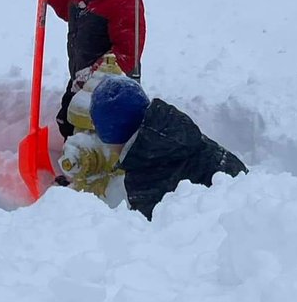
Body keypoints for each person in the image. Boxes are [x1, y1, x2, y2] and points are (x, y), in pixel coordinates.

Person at [89, 75, 248, 220]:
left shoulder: (146, 177)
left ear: (112, 135)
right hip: (251, 200)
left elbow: (151, 237)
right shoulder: (171, 129)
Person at [46, 0, 147, 138]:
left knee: (100, 132)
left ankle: (100, 165)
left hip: (111, 89)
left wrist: (98, 73)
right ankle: (74, 157)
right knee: (68, 121)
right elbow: (69, 9)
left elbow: (128, 50)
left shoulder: (125, 2)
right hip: (80, 78)